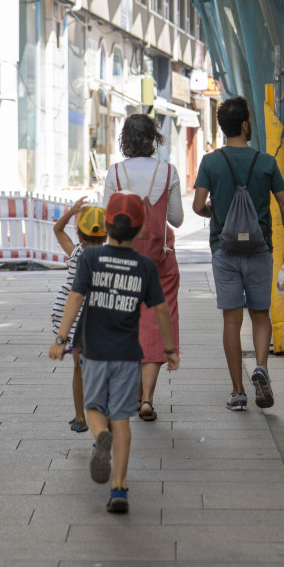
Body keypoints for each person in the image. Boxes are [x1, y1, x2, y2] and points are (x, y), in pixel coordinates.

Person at [49, 192, 179, 514]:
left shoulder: (90, 260)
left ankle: (100, 435)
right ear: (137, 231)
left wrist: (61, 338)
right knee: (122, 418)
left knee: (95, 409)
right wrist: (170, 349)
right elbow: (161, 309)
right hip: (127, 355)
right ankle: (119, 488)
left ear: (107, 226)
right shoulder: (145, 266)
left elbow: (76, 298)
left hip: (94, 352)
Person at [192, 96, 284, 411]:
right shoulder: (266, 161)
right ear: (244, 124)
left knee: (231, 320)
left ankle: (238, 392)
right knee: (260, 315)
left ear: (223, 127)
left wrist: (217, 211)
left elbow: (198, 206)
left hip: (224, 251)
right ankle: (261, 367)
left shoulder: (211, 162)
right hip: (260, 250)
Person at [103, 114, 183, 422]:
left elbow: (108, 220)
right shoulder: (167, 171)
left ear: (125, 139)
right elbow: (175, 220)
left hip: (123, 259)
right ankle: (147, 397)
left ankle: (133, 393)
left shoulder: (116, 173)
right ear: (153, 139)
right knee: (156, 323)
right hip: (159, 259)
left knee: (129, 322)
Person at [51, 196, 107, 433]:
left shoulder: (75, 253)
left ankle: (79, 417)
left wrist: (72, 211)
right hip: (99, 317)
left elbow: (57, 229)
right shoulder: (110, 257)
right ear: (105, 235)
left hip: (71, 318)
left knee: (79, 368)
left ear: (80, 235)